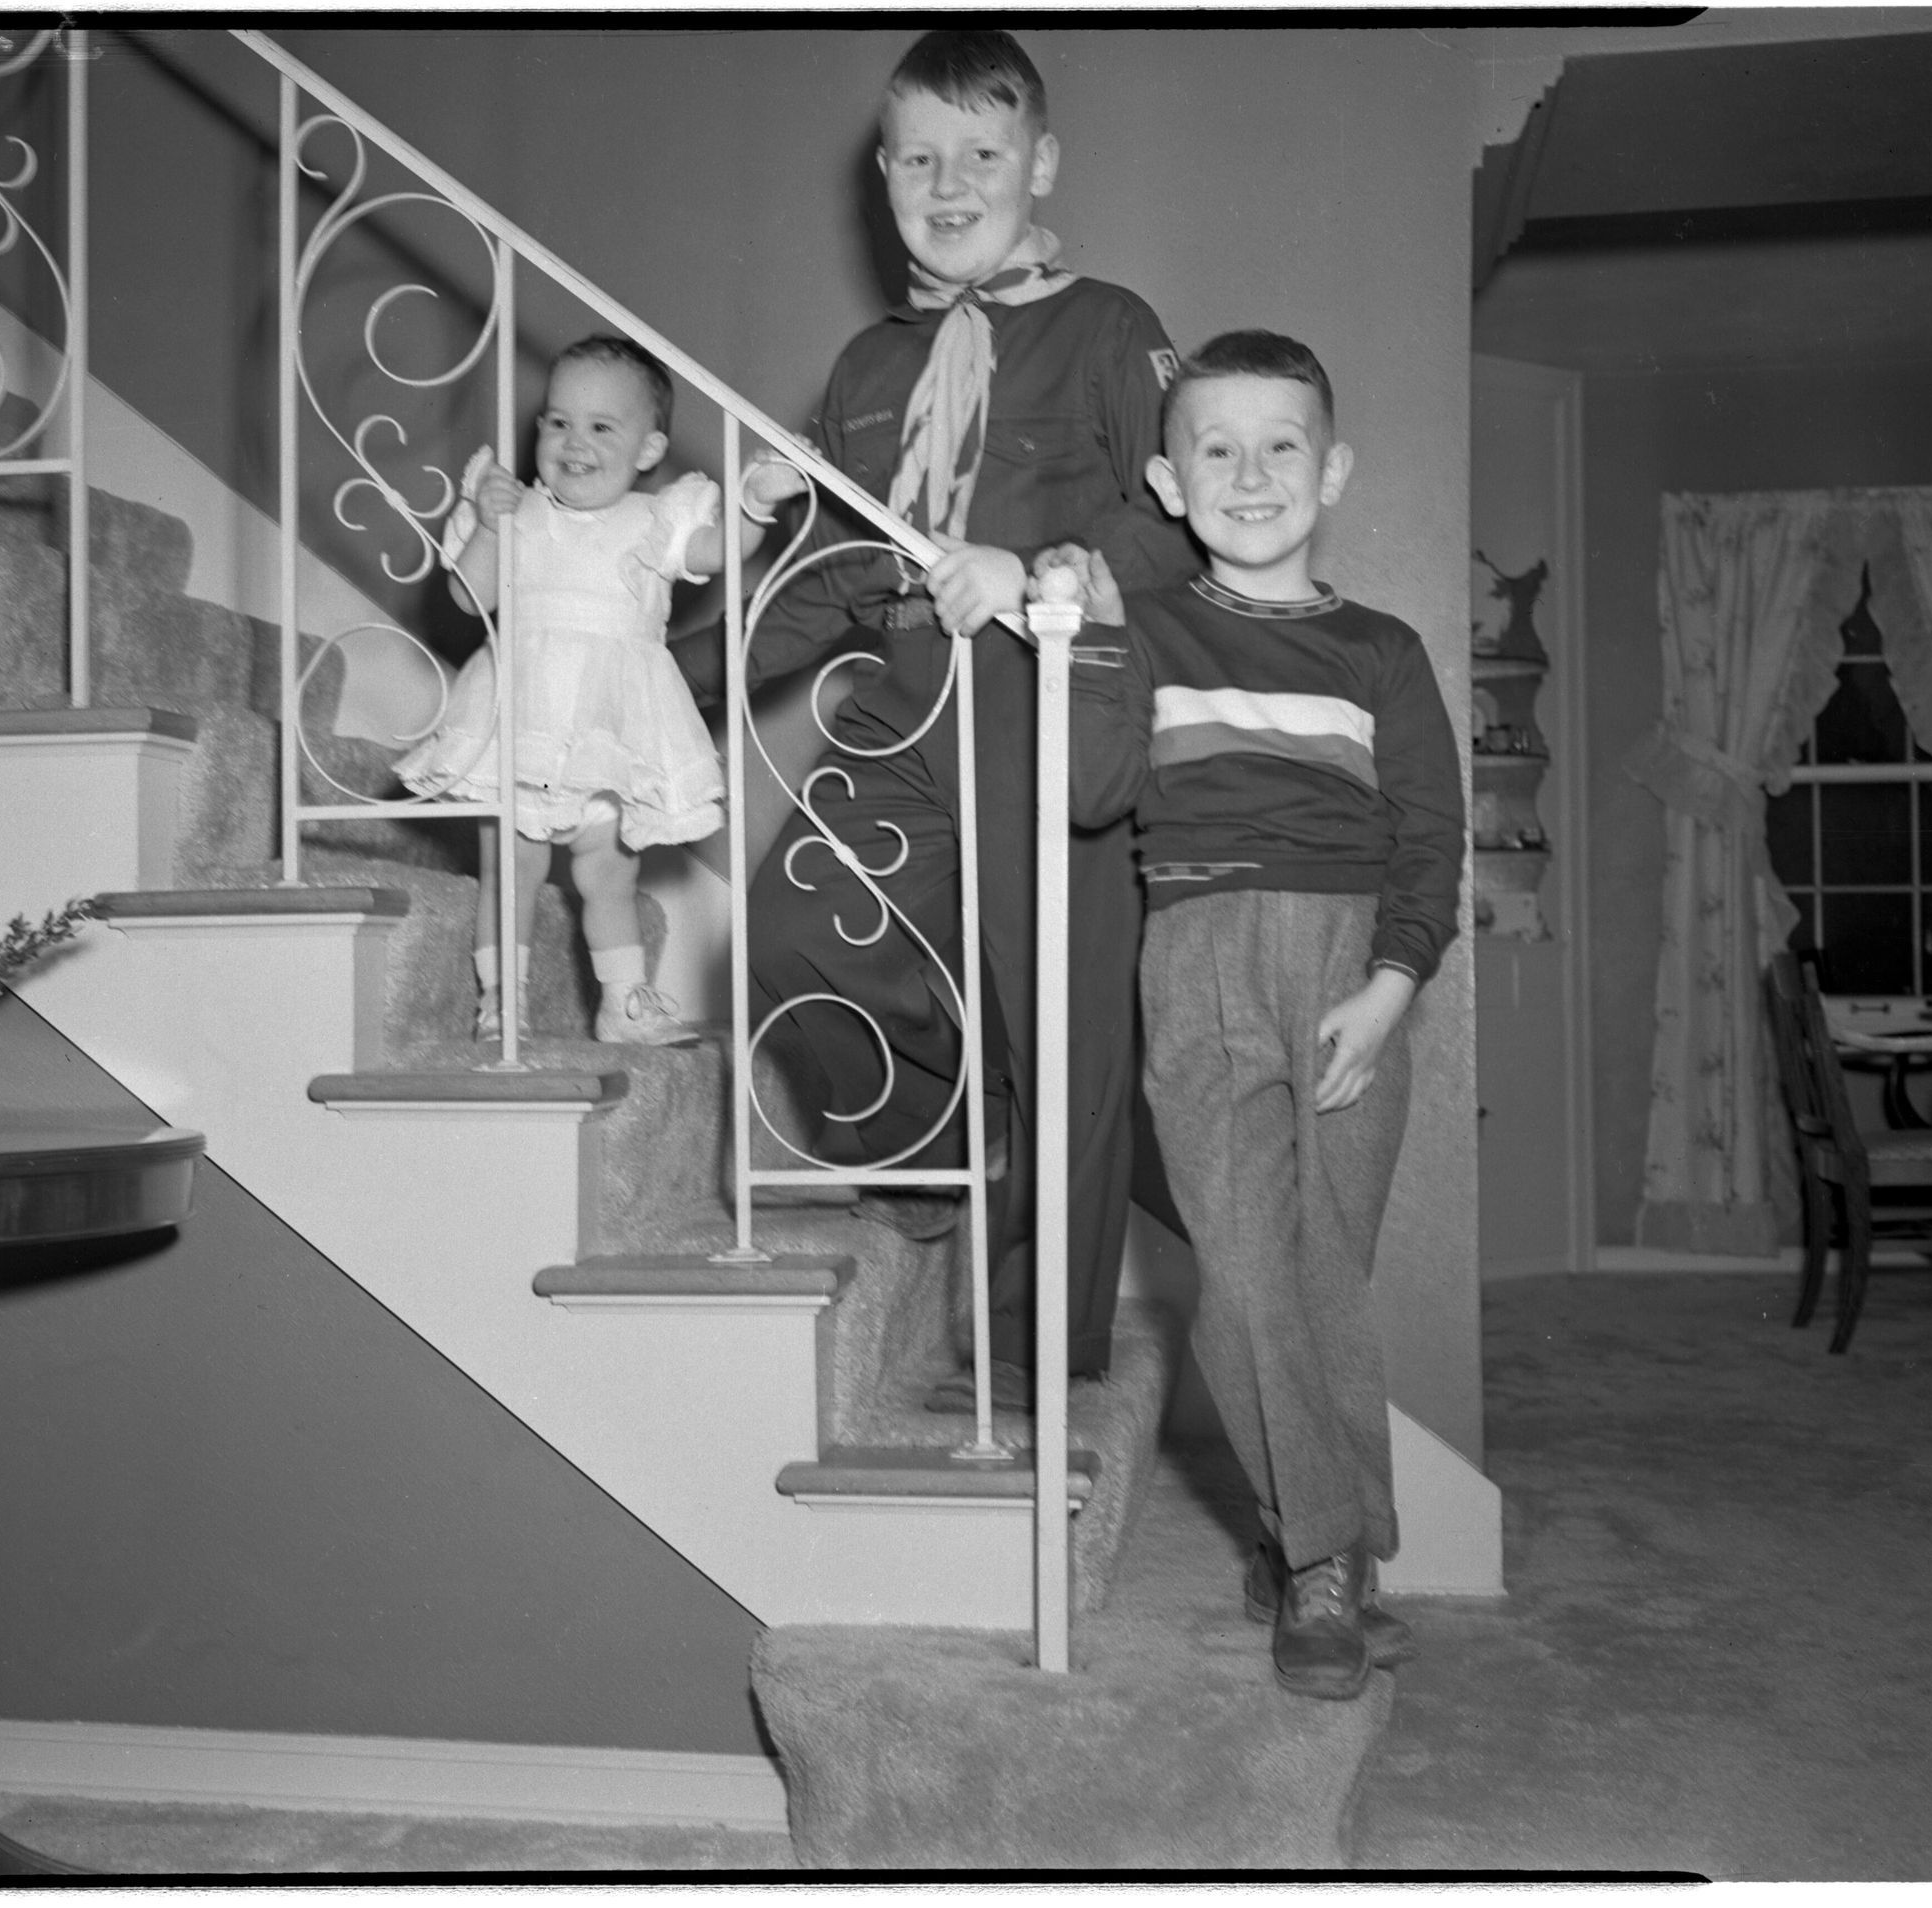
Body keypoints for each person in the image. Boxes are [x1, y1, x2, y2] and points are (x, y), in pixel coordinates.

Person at [677, 29, 1194, 1411]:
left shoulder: (1107, 327)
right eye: (917, 159)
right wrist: (674, 669)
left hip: (1048, 707)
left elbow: (1172, 523)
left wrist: (1036, 570)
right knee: (788, 926)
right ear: (883, 175)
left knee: (1059, 1032)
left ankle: (1034, 1349)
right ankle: (921, 1147)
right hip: (904, 703)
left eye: (980, 153)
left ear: (1041, 164)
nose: (948, 184)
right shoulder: (865, 367)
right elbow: (828, 577)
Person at [1042, 330, 1465, 1700]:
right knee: (1240, 1274)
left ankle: (1303, 1540)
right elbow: (1090, 794)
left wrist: (1390, 988)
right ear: (1168, 484)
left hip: (1351, 971)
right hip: (1199, 960)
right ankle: (1327, 1559)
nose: (1247, 473)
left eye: (1280, 445)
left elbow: (1430, 836)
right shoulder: (1148, 628)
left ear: (1329, 471)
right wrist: (1085, 639)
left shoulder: (1379, 650)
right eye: (1213, 449)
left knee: (1321, 1270)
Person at [400, 336, 802, 1045]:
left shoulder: (655, 518)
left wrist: (753, 502)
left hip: (612, 736)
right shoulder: (515, 509)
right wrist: (489, 525)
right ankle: (502, 1002)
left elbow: (717, 551)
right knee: (511, 864)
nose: (573, 442)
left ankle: (622, 1002)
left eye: (600, 427)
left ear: (649, 450)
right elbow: (468, 596)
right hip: (519, 723)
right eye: (557, 422)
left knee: (610, 873)